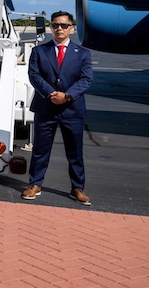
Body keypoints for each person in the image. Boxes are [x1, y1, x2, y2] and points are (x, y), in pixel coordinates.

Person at [23, 11, 93, 206]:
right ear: (50, 27)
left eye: (63, 25)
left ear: (71, 28)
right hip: (46, 108)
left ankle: (77, 187)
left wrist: (67, 96)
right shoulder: (39, 51)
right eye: (55, 25)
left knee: (75, 152)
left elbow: (86, 79)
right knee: (40, 150)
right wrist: (52, 93)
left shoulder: (83, 54)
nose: (59, 28)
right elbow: (34, 75)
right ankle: (35, 184)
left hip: (72, 110)